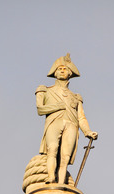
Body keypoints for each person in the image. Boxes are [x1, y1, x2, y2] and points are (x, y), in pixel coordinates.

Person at [35, 53, 98, 184]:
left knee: (65, 157)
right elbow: (40, 110)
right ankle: (51, 176)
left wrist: (87, 131)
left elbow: (81, 117)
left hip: (71, 125)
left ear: (70, 73)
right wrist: (57, 106)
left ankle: (61, 183)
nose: (62, 71)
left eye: (65, 69)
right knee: (52, 149)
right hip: (54, 122)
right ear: (55, 73)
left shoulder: (76, 97)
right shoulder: (45, 90)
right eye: (60, 68)